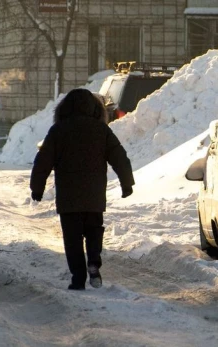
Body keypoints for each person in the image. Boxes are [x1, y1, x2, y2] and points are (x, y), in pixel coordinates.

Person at [30, 88, 135, 291]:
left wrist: (37, 188)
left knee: (73, 239)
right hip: (94, 195)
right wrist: (126, 182)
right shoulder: (101, 130)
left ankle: (78, 278)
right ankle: (94, 262)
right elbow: (119, 156)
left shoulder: (58, 130)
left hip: (68, 197)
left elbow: (43, 161)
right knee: (94, 230)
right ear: (95, 109)